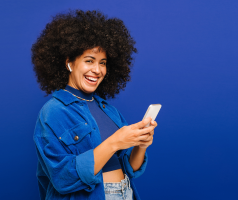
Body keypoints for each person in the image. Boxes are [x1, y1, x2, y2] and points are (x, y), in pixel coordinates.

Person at [31, 10, 157, 200]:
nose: (97, 70)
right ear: (70, 63)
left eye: (103, 63)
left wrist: (141, 145)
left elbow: (130, 168)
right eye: (89, 61)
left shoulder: (108, 110)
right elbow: (63, 178)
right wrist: (115, 142)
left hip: (126, 193)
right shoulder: (53, 112)